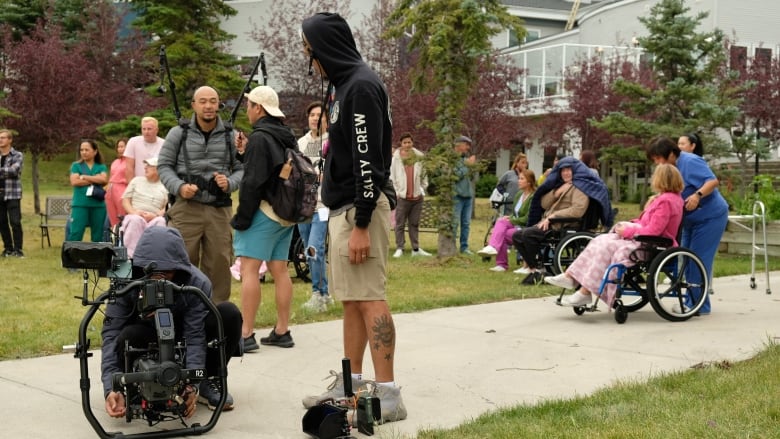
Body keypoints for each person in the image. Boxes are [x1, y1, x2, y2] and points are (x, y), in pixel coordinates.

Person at [301, 12, 407, 423]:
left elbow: (369, 162)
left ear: (325, 49)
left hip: (359, 211)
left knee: (369, 298)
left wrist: (362, 223)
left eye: (310, 52)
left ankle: (389, 393)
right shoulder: (343, 86)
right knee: (352, 301)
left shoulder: (360, 87)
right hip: (344, 208)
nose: (310, 61)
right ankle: (352, 384)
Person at [101, 226, 242, 415]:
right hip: (145, 335)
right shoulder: (124, 278)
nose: (159, 278)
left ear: (178, 267)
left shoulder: (197, 283)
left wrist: (193, 384)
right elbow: (112, 332)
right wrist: (111, 386)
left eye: (166, 273)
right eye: (152, 272)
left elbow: (195, 335)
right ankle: (132, 385)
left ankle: (208, 379)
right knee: (127, 335)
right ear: (141, 266)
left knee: (228, 314)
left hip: (182, 333)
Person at [546, 164, 684, 307]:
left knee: (607, 247)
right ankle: (571, 277)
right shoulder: (665, 199)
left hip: (652, 245)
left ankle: (584, 292)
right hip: (645, 240)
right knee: (599, 240)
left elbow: (654, 231)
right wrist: (628, 225)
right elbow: (647, 223)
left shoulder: (666, 201)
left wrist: (628, 231)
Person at [157, 86, 244, 304]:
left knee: (220, 263)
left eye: (213, 101)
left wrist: (230, 183)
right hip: (186, 209)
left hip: (219, 209)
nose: (208, 106)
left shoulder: (231, 136)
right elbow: (164, 166)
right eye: (203, 101)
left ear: (219, 104)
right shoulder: (178, 133)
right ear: (194, 105)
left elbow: (243, 168)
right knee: (179, 261)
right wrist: (179, 187)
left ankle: (217, 315)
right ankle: (178, 309)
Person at [230, 85, 297, 352]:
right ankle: (282, 330)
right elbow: (274, 169)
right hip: (286, 213)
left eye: (249, 105)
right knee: (279, 269)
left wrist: (242, 218)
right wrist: (246, 154)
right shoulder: (286, 135)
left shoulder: (260, 137)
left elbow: (253, 183)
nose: (247, 110)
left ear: (259, 108)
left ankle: (246, 334)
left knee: (249, 269)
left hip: (264, 212)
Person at [645, 136, 728, 315]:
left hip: (710, 217)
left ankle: (698, 305)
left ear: (672, 154)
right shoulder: (670, 167)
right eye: (655, 159)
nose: (657, 163)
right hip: (689, 219)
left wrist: (697, 195)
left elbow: (712, 181)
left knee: (698, 259)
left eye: (659, 158)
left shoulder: (690, 161)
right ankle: (694, 302)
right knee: (686, 260)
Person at [512, 157, 591, 284]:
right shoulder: (560, 186)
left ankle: (539, 269)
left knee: (527, 235)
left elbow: (578, 210)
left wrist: (552, 217)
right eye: (563, 171)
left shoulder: (580, 188)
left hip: (563, 224)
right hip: (550, 222)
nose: (565, 173)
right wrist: (557, 192)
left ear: (574, 171)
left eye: (568, 170)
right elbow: (543, 204)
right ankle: (535, 269)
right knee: (516, 236)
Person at [297, 101, 334, 311]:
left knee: (314, 249)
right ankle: (324, 293)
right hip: (302, 207)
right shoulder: (300, 143)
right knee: (308, 249)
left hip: (322, 205)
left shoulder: (333, 141)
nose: (315, 118)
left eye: (319, 115)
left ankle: (317, 294)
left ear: (327, 121)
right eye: (312, 114)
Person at [478, 169, 536, 272]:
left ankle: (494, 250)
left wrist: (512, 219)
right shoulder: (519, 195)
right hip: (516, 226)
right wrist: (510, 217)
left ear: (529, 182)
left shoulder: (533, 197)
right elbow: (515, 213)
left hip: (526, 227)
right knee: (501, 221)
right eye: (519, 178)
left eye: (522, 179)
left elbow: (527, 218)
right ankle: (500, 262)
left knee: (502, 233)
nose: (518, 181)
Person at [390, 132, 431, 258]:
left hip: (417, 198)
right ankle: (399, 248)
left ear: (412, 143)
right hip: (402, 198)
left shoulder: (419, 157)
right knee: (400, 224)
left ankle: (416, 249)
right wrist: (397, 192)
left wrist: (422, 189)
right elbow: (392, 177)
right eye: (404, 142)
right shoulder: (395, 159)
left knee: (414, 224)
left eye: (409, 142)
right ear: (401, 144)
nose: (407, 145)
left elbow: (424, 176)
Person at [120, 157, 168, 258]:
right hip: (135, 214)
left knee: (161, 222)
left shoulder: (165, 185)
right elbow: (125, 200)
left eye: (149, 166)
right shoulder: (137, 181)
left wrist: (155, 215)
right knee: (136, 220)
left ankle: (154, 257)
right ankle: (131, 257)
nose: (145, 168)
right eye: (145, 165)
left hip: (154, 216)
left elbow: (168, 206)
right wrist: (134, 212)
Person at [68, 139, 108, 242]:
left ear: (95, 151)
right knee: (76, 232)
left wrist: (84, 177)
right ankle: (73, 256)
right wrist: (95, 179)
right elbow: (74, 182)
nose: (84, 152)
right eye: (82, 150)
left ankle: (97, 256)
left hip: (98, 205)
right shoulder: (76, 166)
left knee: (98, 234)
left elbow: (103, 180)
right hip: (80, 204)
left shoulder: (101, 166)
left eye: (87, 150)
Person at [0, 129, 24, 257]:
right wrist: (5, 171)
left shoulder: (17, 155)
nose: (0, 140)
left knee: (15, 222)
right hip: (0, 193)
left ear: (10, 140)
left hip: (13, 194)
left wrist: (4, 171)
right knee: (2, 222)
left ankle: (18, 250)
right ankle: (8, 249)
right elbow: (7, 171)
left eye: (3, 137)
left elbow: (14, 171)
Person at [453, 135, 477, 255]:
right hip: (457, 196)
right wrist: (467, 166)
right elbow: (455, 176)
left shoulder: (465, 159)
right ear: (458, 144)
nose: (468, 147)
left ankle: (464, 247)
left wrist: (472, 168)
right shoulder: (452, 159)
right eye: (466, 144)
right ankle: (451, 247)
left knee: (466, 223)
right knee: (455, 222)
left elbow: (471, 177)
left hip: (468, 196)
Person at [124, 117, 165, 182]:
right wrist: (131, 185)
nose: (146, 132)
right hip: (138, 183)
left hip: (158, 184)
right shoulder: (133, 142)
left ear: (156, 130)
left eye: (149, 129)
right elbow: (129, 168)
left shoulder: (164, 144)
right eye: (144, 129)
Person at [106, 138, 129, 227]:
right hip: (111, 191)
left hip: (122, 190)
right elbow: (111, 177)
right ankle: (115, 236)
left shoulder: (130, 162)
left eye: (123, 146)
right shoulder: (115, 162)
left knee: (122, 216)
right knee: (113, 218)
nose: (120, 149)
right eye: (119, 147)